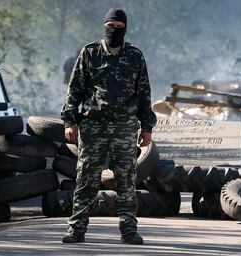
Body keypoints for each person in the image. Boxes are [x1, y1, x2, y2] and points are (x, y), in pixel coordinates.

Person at [60, 8, 156, 244]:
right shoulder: (90, 53)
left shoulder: (135, 56)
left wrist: (147, 127)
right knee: (86, 179)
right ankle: (77, 229)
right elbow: (75, 89)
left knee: (126, 180)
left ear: (125, 28)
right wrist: (70, 121)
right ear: (104, 26)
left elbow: (144, 94)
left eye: (119, 27)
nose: (114, 30)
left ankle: (128, 230)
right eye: (111, 25)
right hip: (93, 126)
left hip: (124, 126)